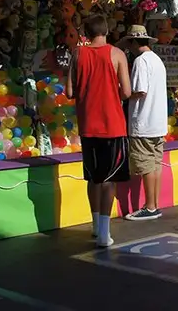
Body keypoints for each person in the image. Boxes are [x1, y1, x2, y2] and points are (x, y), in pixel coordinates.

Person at [66, 14, 131, 247]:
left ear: (86, 31)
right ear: (107, 30)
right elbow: (126, 92)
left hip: (88, 125)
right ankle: (104, 231)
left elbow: (70, 91)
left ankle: (95, 226)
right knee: (109, 179)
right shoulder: (117, 54)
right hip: (113, 124)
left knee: (93, 177)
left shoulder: (77, 54)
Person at [120, 25, 167, 221]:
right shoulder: (157, 60)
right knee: (155, 164)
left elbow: (139, 91)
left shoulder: (141, 61)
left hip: (143, 122)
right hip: (158, 122)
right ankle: (154, 204)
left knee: (146, 165)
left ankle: (149, 207)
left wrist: (122, 94)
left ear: (133, 42)